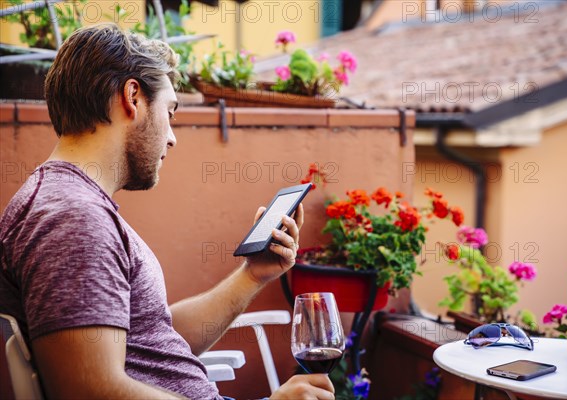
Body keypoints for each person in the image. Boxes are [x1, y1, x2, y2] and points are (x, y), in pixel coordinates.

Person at [0, 23, 334, 400]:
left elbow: (154, 343)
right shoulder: (74, 218)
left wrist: (252, 275)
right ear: (132, 97)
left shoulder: (73, 205)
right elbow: (89, 389)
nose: (172, 136)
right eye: (170, 111)